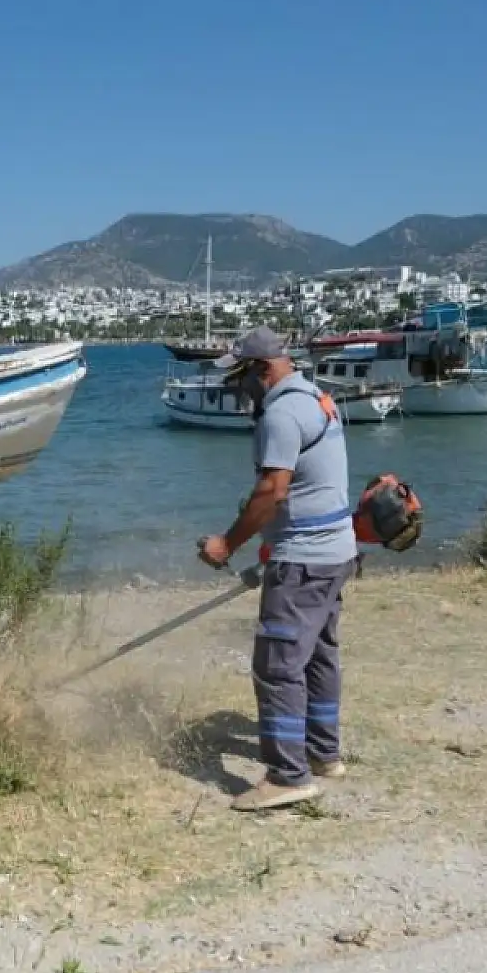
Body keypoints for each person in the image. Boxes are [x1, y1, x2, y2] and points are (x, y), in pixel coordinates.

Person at [197, 326, 357, 811]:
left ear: (263, 369)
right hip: (333, 552)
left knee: (278, 666)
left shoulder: (282, 413)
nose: (237, 387)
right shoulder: (314, 397)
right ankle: (321, 753)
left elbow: (273, 491)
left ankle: (289, 776)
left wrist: (227, 543)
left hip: (304, 561)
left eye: (241, 375)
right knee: (317, 656)